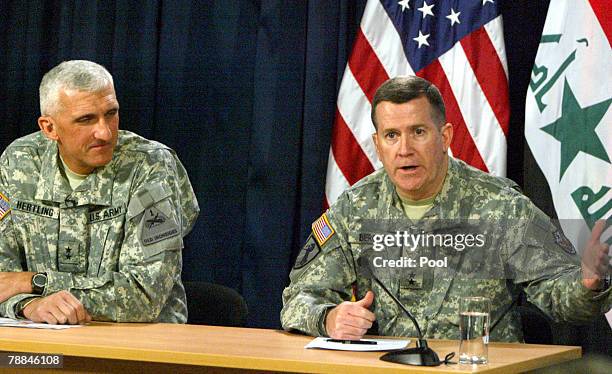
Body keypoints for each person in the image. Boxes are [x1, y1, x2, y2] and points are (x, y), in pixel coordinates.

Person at [281, 76, 610, 341]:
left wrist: (588, 282)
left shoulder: (500, 206)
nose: (405, 149)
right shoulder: (355, 208)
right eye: (392, 135)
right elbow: (298, 298)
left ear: (445, 136)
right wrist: (329, 317)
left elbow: (563, 299)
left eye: (418, 132)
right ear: (378, 145)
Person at [0, 60, 199, 324]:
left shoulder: (150, 165)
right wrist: (28, 305)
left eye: (111, 113)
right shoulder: (19, 162)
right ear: (49, 128)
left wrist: (36, 283)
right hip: (42, 338)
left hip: (141, 347)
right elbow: (3, 280)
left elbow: (144, 296)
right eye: (86, 119)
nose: (104, 132)